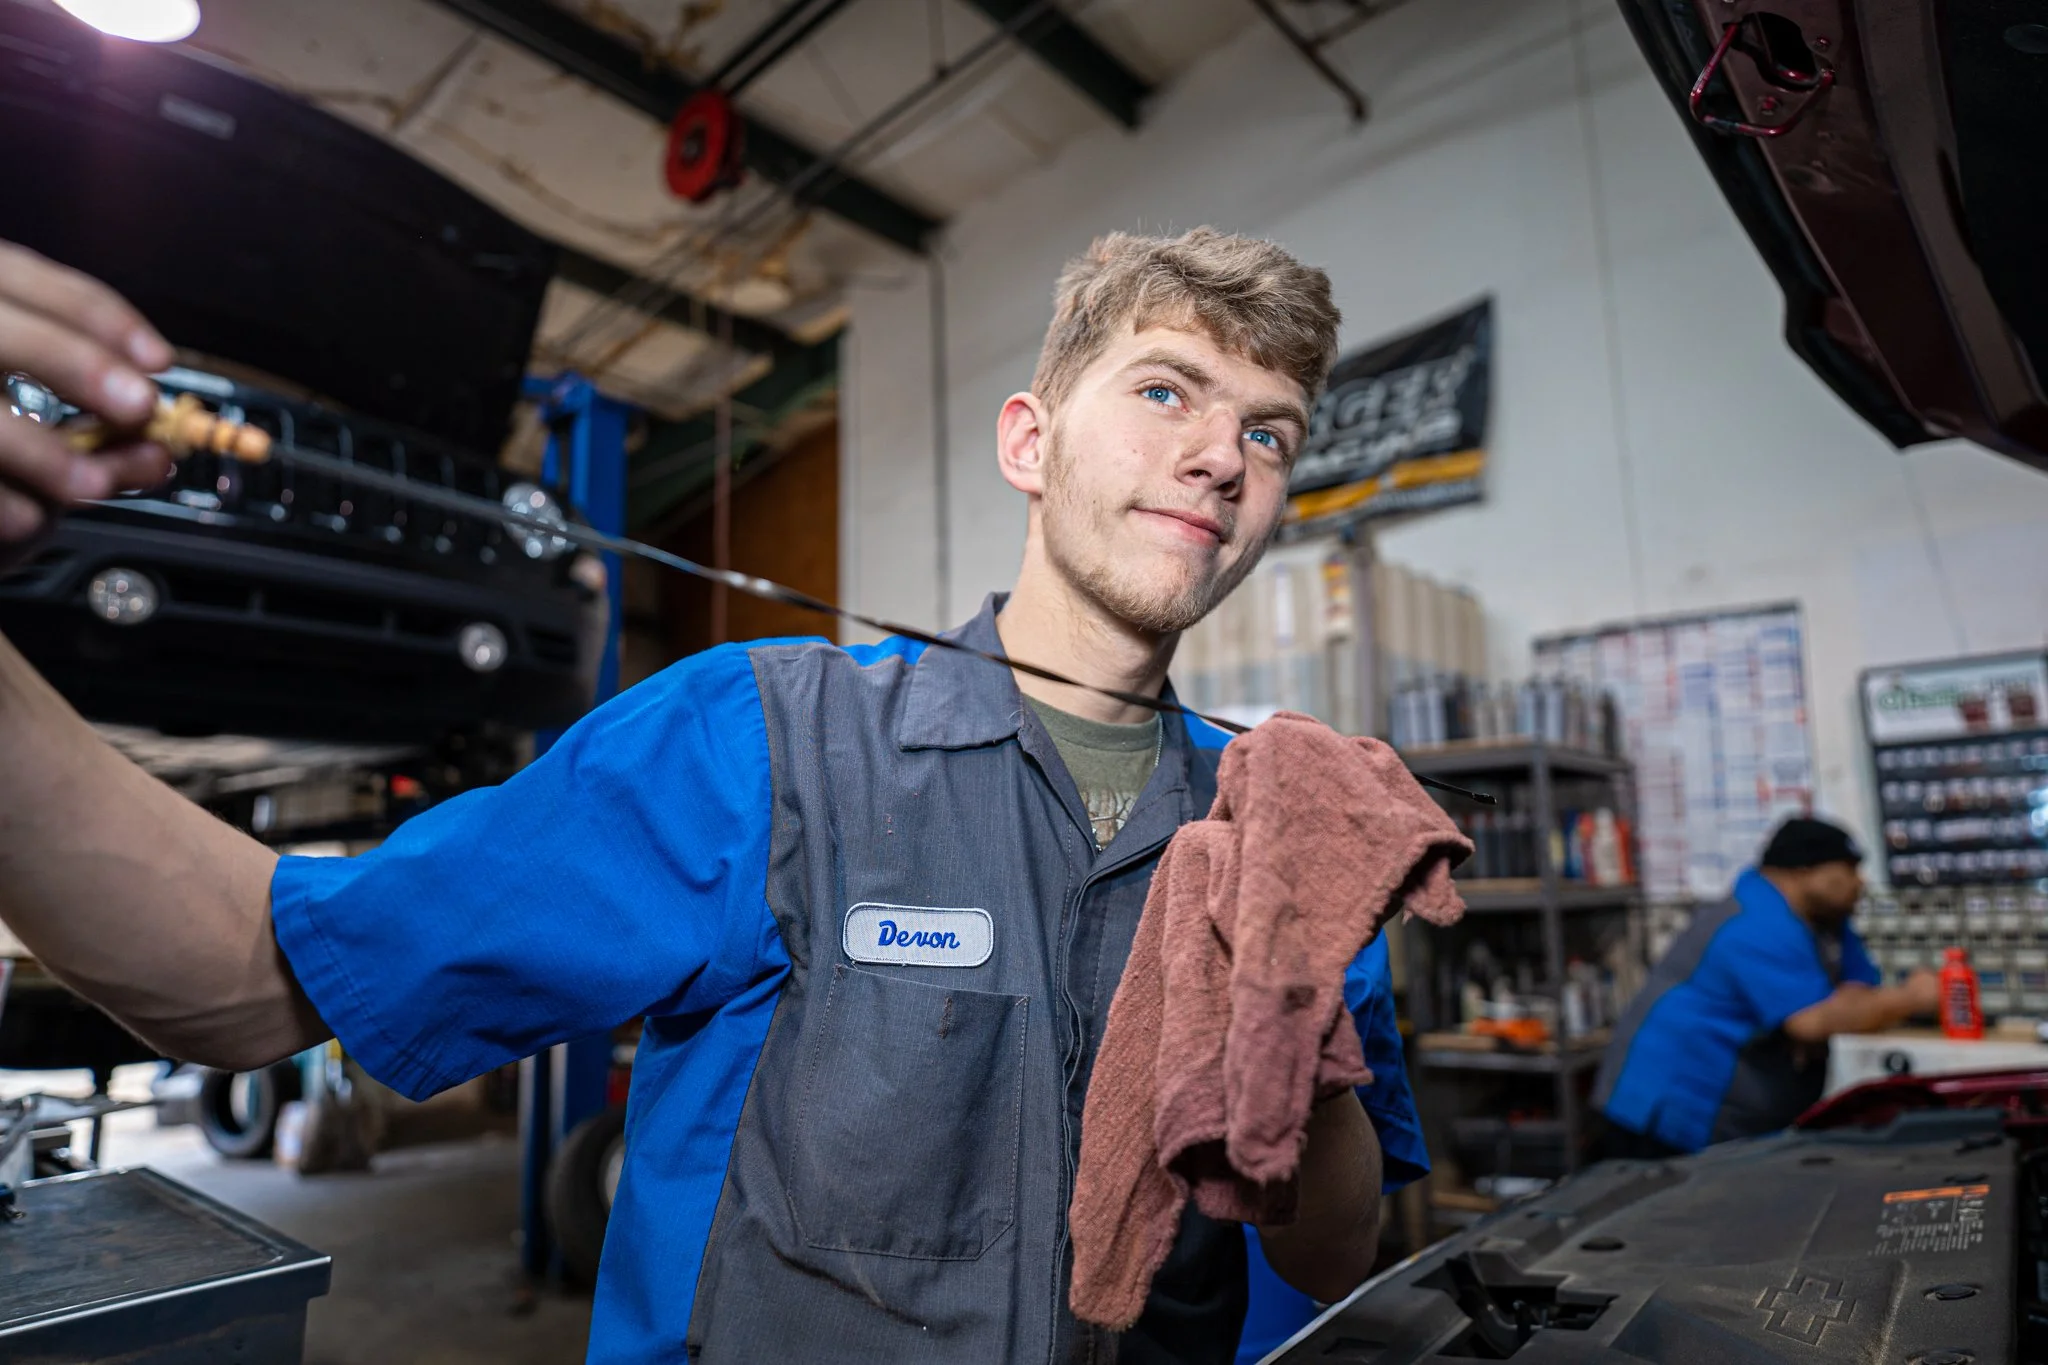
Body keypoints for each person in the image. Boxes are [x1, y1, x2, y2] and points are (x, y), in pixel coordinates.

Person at [0, 229, 1428, 1363]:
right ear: (1030, 444)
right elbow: (252, 975)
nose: (1220, 456)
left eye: (1271, 432)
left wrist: (1291, 1019)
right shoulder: (762, 744)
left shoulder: (1287, 838)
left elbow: (1327, 1253)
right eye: (1168, 389)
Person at [1593, 816, 1941, 1158]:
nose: (1860, 882)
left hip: (1743, 1118)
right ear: (1804, 870)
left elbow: (1860, 989)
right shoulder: (1756, 922)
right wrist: (1912, 997)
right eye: (1848, 869)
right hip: (1671, 1114)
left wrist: (1852, 1009)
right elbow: (1813, 1022)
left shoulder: (1825, 920)